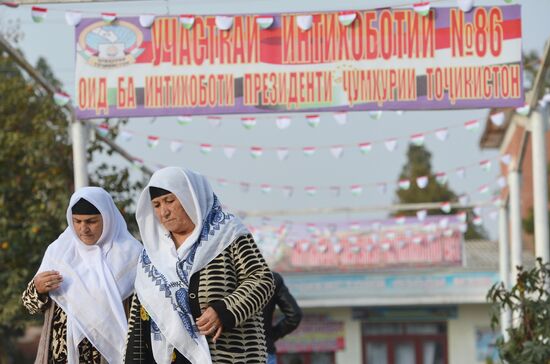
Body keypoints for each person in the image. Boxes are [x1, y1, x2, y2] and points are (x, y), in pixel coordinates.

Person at [125, 167, 275, 364]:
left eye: (170, 201)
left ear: (190, 197)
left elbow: (262, 279)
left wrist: (224, 310)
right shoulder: (152, 255)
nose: (164, 211)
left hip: (229, 356)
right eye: (157, 205)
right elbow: (141, 318)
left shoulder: (227, 233)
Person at [21, 187, 142, 364]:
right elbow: (29, 305)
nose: (83, 229)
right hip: (61, 355)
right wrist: (38, 288)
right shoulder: (59, 252)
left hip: (109, 355)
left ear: (108, 218)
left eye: (91, 221)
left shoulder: (132, 255)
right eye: (76, 221)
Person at [262, 272, 303, 364]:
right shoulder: (271, 279)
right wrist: (269, 336)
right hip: (264, 351)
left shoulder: (225, 280)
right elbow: (294, 315)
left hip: (228, 352)